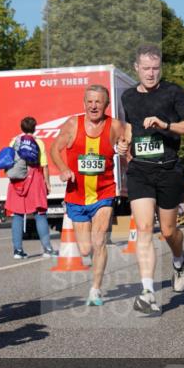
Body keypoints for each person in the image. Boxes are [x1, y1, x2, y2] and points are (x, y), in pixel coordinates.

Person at [118, 44, 184, 315]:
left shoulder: (173, 92)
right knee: (143, 229)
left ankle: (179, 259)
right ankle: (148, 292)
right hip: (140, 169)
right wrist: (123, 145)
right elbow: (130, 127)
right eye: (146, 68)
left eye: (155, 68)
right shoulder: (128, 97)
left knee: (167, 232)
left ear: (160, 68)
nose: (151, 74)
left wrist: (165, 125)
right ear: (136, 68)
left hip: (169, 169)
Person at [49, 84, 127, 306]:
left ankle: (95, 289)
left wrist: (123, 149)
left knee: (99, 239)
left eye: (98, 102)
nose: (94, 106)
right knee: (85, 249)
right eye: (90, 101)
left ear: (106, 104)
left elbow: (126, 145)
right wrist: (64, 169)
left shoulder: (115, 125)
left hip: (104, 192)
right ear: (84, 103)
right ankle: (96, 264)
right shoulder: (73, 124)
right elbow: (55, 148)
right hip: (76, 195)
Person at [6, 116, 57, 259]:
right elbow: (44, 165)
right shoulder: (38, 142)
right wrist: (47, 182)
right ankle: (47, 249)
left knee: (17, 215)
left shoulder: (14, 141)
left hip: (17, 180)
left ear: (21, 128)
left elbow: (9, 160)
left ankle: (17, 251)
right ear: (34, 128)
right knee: (40, 213)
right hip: (34, 177)